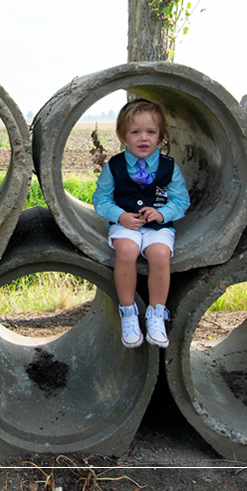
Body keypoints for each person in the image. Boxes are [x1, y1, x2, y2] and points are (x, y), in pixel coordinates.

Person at [92, 98, 190, 348]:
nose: (143, 138)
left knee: (159, 255)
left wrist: (163, 214)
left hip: (158, 226)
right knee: (126, 251)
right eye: (135, 132)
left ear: (160, 136)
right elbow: (101, 199)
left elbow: (181, 200)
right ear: (123, 135)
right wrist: (119, 215)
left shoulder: (169, 167)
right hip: (126, 224)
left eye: (150, 132)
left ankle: (156, 314)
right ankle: (128, 312)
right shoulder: (114, 166)